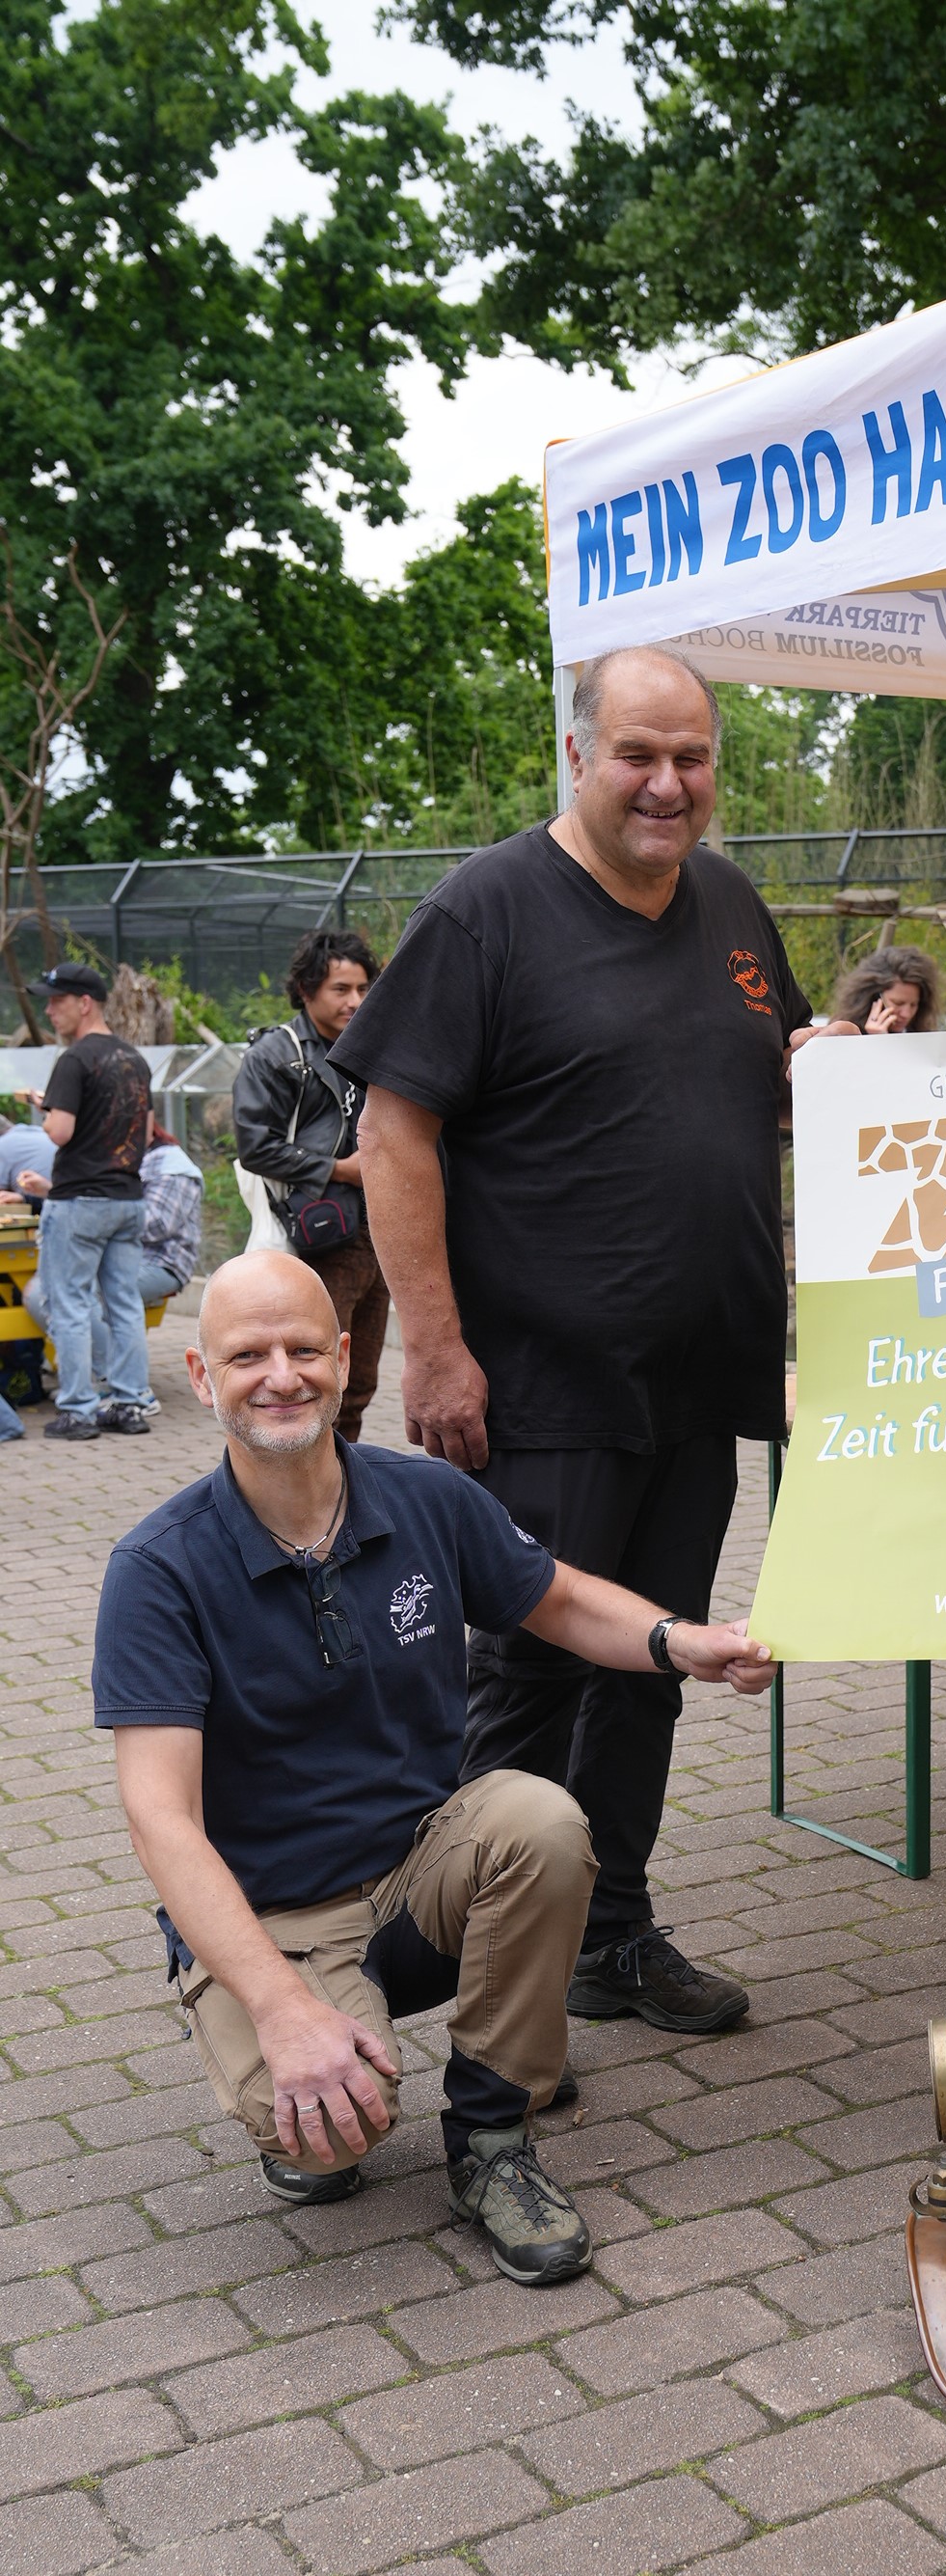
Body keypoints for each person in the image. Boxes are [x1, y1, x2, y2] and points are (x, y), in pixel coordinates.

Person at [97, 1251, 775, 2283]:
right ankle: (306, 2066)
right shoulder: (158, 1571)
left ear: (345, 1357)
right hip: (272, 1916)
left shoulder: (422, 1498)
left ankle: (493, 2139)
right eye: (248, 1356)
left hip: (418, 1875)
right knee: (328, 2140)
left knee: (537, 1818)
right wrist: (283, 2011)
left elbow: (556, 1596)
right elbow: (162, 1823)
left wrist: (681, 1639)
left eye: (303, 1348)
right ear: (201, 1375)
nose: (280, 1374)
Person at [336, 645, 824, 2041]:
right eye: (638, 755)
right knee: (535, 1673)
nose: (668, 784)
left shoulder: (728, 901)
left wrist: (845, 1059)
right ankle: (489, 1968)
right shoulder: (486, 912)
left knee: (656, 1661)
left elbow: (785, 1074)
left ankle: (612, 1931)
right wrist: (432, 1348)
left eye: (692, 758)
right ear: (577, 755)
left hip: (699, 1380)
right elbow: (394, 1133)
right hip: (542, 1391)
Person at [233, 931, 389, 1439]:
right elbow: (255, 1145)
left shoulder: (374, 1044)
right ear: (305, 989)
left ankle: (346, 1487)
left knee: (360, 1380)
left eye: (364, 988)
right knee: (316, 1379)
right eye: (341, 989)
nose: (356, 1001)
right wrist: (341, 1169)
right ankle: (294, 1494)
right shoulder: (275, 1053)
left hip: (380, 1231)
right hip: (318, 1235)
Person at [30, 962, 154, 1440]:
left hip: (79, 1201)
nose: (48, 1009)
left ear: (84, 1003)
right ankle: (128, 1405)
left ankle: (79, 1410)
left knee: (71, 1306)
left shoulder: (75, 1059)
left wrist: (43, 1116)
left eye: (56, 1000)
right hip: (127, 1199)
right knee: (123, 1303)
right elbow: (142, 1133)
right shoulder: (135, 1060)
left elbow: (59, 1131)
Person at [25, 1118, 199, 1413]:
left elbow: (158, 1224)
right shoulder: (120, 1161)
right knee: (42, 1290)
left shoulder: (170, 1162)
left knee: (74, 1293)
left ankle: (123, 1386)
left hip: (161, 1264)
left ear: (148, 1125)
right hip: (117, 1257)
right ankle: (110, 1382)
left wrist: (100, 1219)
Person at [830, 945, 944, 1034]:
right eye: (898, 1003)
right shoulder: (844, 1034)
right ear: (874, 997)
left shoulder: (923, 1039)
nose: (906, 1014)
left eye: (914, 1005)